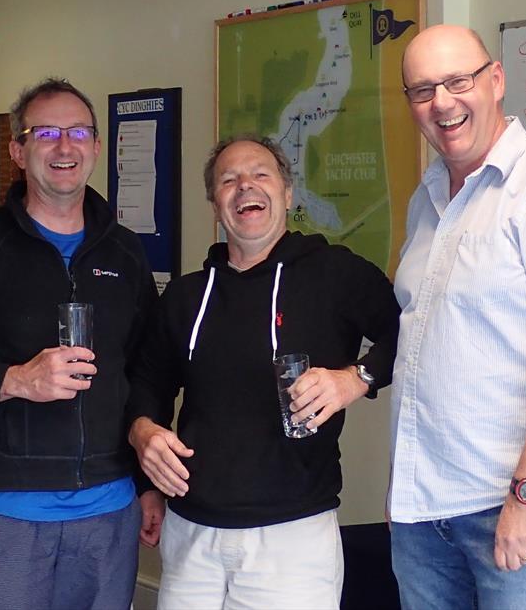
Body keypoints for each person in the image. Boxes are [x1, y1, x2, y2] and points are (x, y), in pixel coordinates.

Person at [0, 78, 163, 610]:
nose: (64, 146)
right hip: (6, 514)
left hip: (109, 512)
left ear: (95, 148)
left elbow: (145, 372)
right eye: (46, 133)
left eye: (78, 132)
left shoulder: (127, 252)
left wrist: (145, 478)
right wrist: (15, 379)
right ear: (19, 151)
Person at [388, 24, 526, 609]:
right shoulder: (428, 198)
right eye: (422, 90)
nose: (442, 102)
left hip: (517, 503)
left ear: (496, 81)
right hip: (425, 507)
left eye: (458, 81)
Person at [128, 134, 400, 609]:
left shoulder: (335, 273)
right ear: (216, 204)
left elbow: (411, 336)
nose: (244, 187)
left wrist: (353, 379)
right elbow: (146, 383)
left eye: (260, 174)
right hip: (191, 533)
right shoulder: (186, 296)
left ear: (287, 193)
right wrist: (143, 439)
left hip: (291, 541)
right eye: (228, 180)